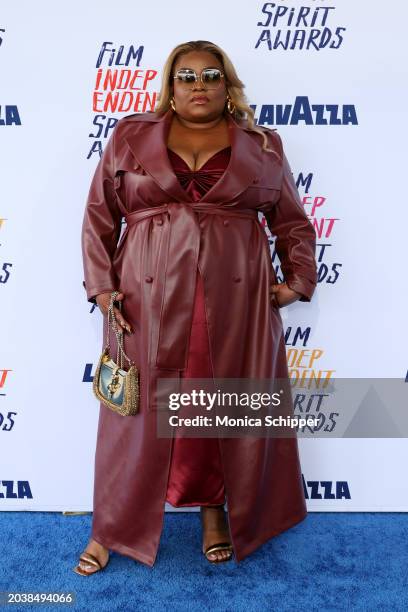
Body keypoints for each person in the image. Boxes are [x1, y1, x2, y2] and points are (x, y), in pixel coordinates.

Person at [74, 39, 317, 575]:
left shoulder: (264, 144)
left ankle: (215, 516)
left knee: (215, 408)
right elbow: (98, 217)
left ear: (227, 84)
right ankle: (109, 527)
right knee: (132, 414)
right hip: (145, 295)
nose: (199, 84)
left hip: (233, 301)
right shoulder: (130, 136)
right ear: (171, 85)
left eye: (211, 74)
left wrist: (295, 282)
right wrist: (102, 287)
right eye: (187, 76)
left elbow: (291, 221)